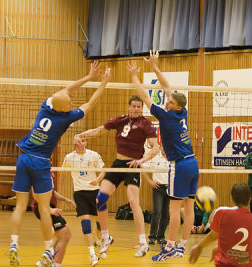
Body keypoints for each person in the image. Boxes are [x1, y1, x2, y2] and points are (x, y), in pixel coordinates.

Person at [9, 61, 111, 267]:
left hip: (23, 156)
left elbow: (66, 89)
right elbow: (90, 105)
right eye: (69, 103)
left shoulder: (46, 106)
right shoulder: (66, 118)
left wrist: (88, 77)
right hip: (39, 161)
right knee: (45, 207)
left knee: (19, 206)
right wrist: (103, 83)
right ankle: (48, 250)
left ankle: (13, 244)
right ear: (63, 108)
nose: (72, 103)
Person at [127, 50, 199, 261]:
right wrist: (155, 67)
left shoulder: (166, 116)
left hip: (179, 166)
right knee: (189, 206)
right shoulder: (182, 112)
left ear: (175, 106)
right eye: (168, 101)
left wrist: (133, 76)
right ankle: (182, 246)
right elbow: (168, 88)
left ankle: (169, 247)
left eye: (169, 102)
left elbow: (145, 97)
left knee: (174, 208)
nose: (166, 102)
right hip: (193, 163)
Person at [75, 95, 160, 258]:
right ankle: (105, 236)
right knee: (100, 199)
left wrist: (142, 160)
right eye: (134, 106)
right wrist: (80, 135)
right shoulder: (120, 120)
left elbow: (155, 147)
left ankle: (143, 242)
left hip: (133, 165)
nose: (136, 109)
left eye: (139, 107)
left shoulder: (146, 123)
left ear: (142, 108)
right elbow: (99, 130)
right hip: (118, 164)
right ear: (129, 107)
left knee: (134, 202)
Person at [58, 138, 105, 266]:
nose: (81, 143)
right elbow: (62, 174)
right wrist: (59, 193)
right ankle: (92, 253)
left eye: (83, 141)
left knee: (99, 221)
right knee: (85, 220)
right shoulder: (69, 157)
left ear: (86, 143)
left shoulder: (94, 155)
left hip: (95, 191)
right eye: (79, 140)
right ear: (74, 142)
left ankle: (98, 237)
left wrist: (98, 180)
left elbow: (103, 171)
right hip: (79, 193)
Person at [189, 182, 252, 267]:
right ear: (250, 199)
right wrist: (219, 248)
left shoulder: (222, 213)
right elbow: (237, 237)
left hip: (225, 264)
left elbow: (213, 236)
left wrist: (199, 247)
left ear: (231, 198)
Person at [30, 173, 76, 267]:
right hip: (43, 207)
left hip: (50, 206)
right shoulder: (38, 168)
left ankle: (47, 258)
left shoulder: (49, 170)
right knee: (63, 236)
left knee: (67, 233)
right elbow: (36, 194)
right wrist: (50, 210)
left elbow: (52, 192)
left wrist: (66, 199)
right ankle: (56, 264)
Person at [141, 146, 170, 245]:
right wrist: (150, 181)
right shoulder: (155, 157)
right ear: (161, 147)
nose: (165, 148)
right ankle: (152, 237)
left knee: (166, 214)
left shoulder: (173, 157)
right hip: (158, 188)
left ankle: (161, 237)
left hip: (170, 189)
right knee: (157, 211)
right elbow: (142, 167)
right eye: (163, 145)